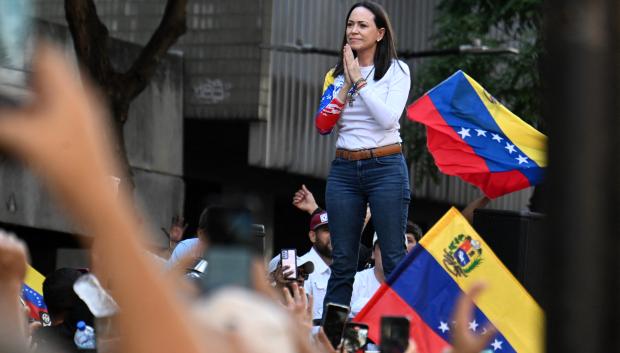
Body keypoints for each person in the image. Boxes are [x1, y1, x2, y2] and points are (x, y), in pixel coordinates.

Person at [314, 1, 411, 313]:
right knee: (343, 262)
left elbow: (387, 119)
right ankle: (332, 340)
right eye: (350, 24)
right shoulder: (335, 75)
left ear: (380, 33)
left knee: (394, 259)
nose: (353, 30)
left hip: (385, 167)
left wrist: (360, 81)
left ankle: (397, 342)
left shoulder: (397, 70)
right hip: (345, 169)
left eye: (362, 25)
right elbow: (323, 124)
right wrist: (345, 84)